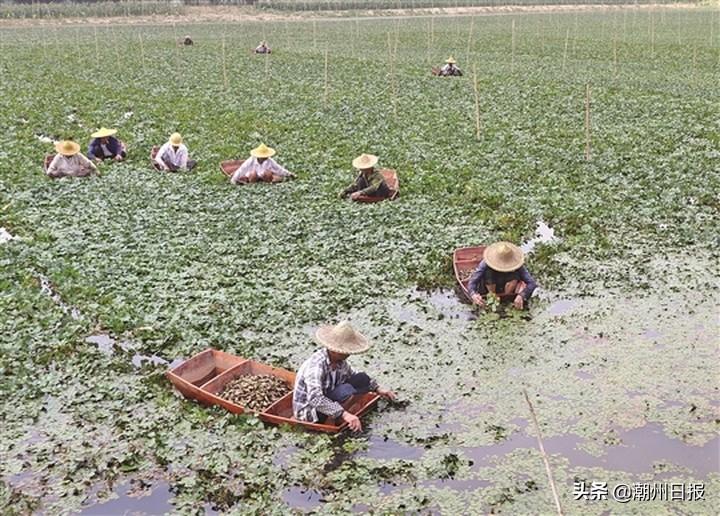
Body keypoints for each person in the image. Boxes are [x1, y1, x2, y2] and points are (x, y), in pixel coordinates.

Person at [293, 321, 396, 431]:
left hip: (329, 396)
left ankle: (338, 414)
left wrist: (378, 389)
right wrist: (345, 414)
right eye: (345, 351)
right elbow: (315, 399)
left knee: (362, 379)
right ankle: (336, 416)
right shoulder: (316, 366)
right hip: (310, 411)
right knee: (346, 389)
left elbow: (354, 375)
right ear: (333, 350)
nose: (348, 354)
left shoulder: (340, 361)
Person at [468, 241, 537, 310]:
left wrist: (521, 295)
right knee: (488, 273)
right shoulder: (485, 264)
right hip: (490, 286)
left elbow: (532, 283)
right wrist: (473, 294)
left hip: (507, 286)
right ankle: (493, 296)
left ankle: (506, 297)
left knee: (515, 274)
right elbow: (472, 282)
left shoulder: (517, 266)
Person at [230, 143, 294, 184]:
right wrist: (234, 179)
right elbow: (242, 169)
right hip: (252, 176)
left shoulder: (269, 161)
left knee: (268, 173)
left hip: (264, 176)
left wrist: (289, 174)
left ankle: (268, 183)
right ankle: (252, 184)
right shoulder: (251, 160)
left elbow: (279, 168)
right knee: (253, 174)